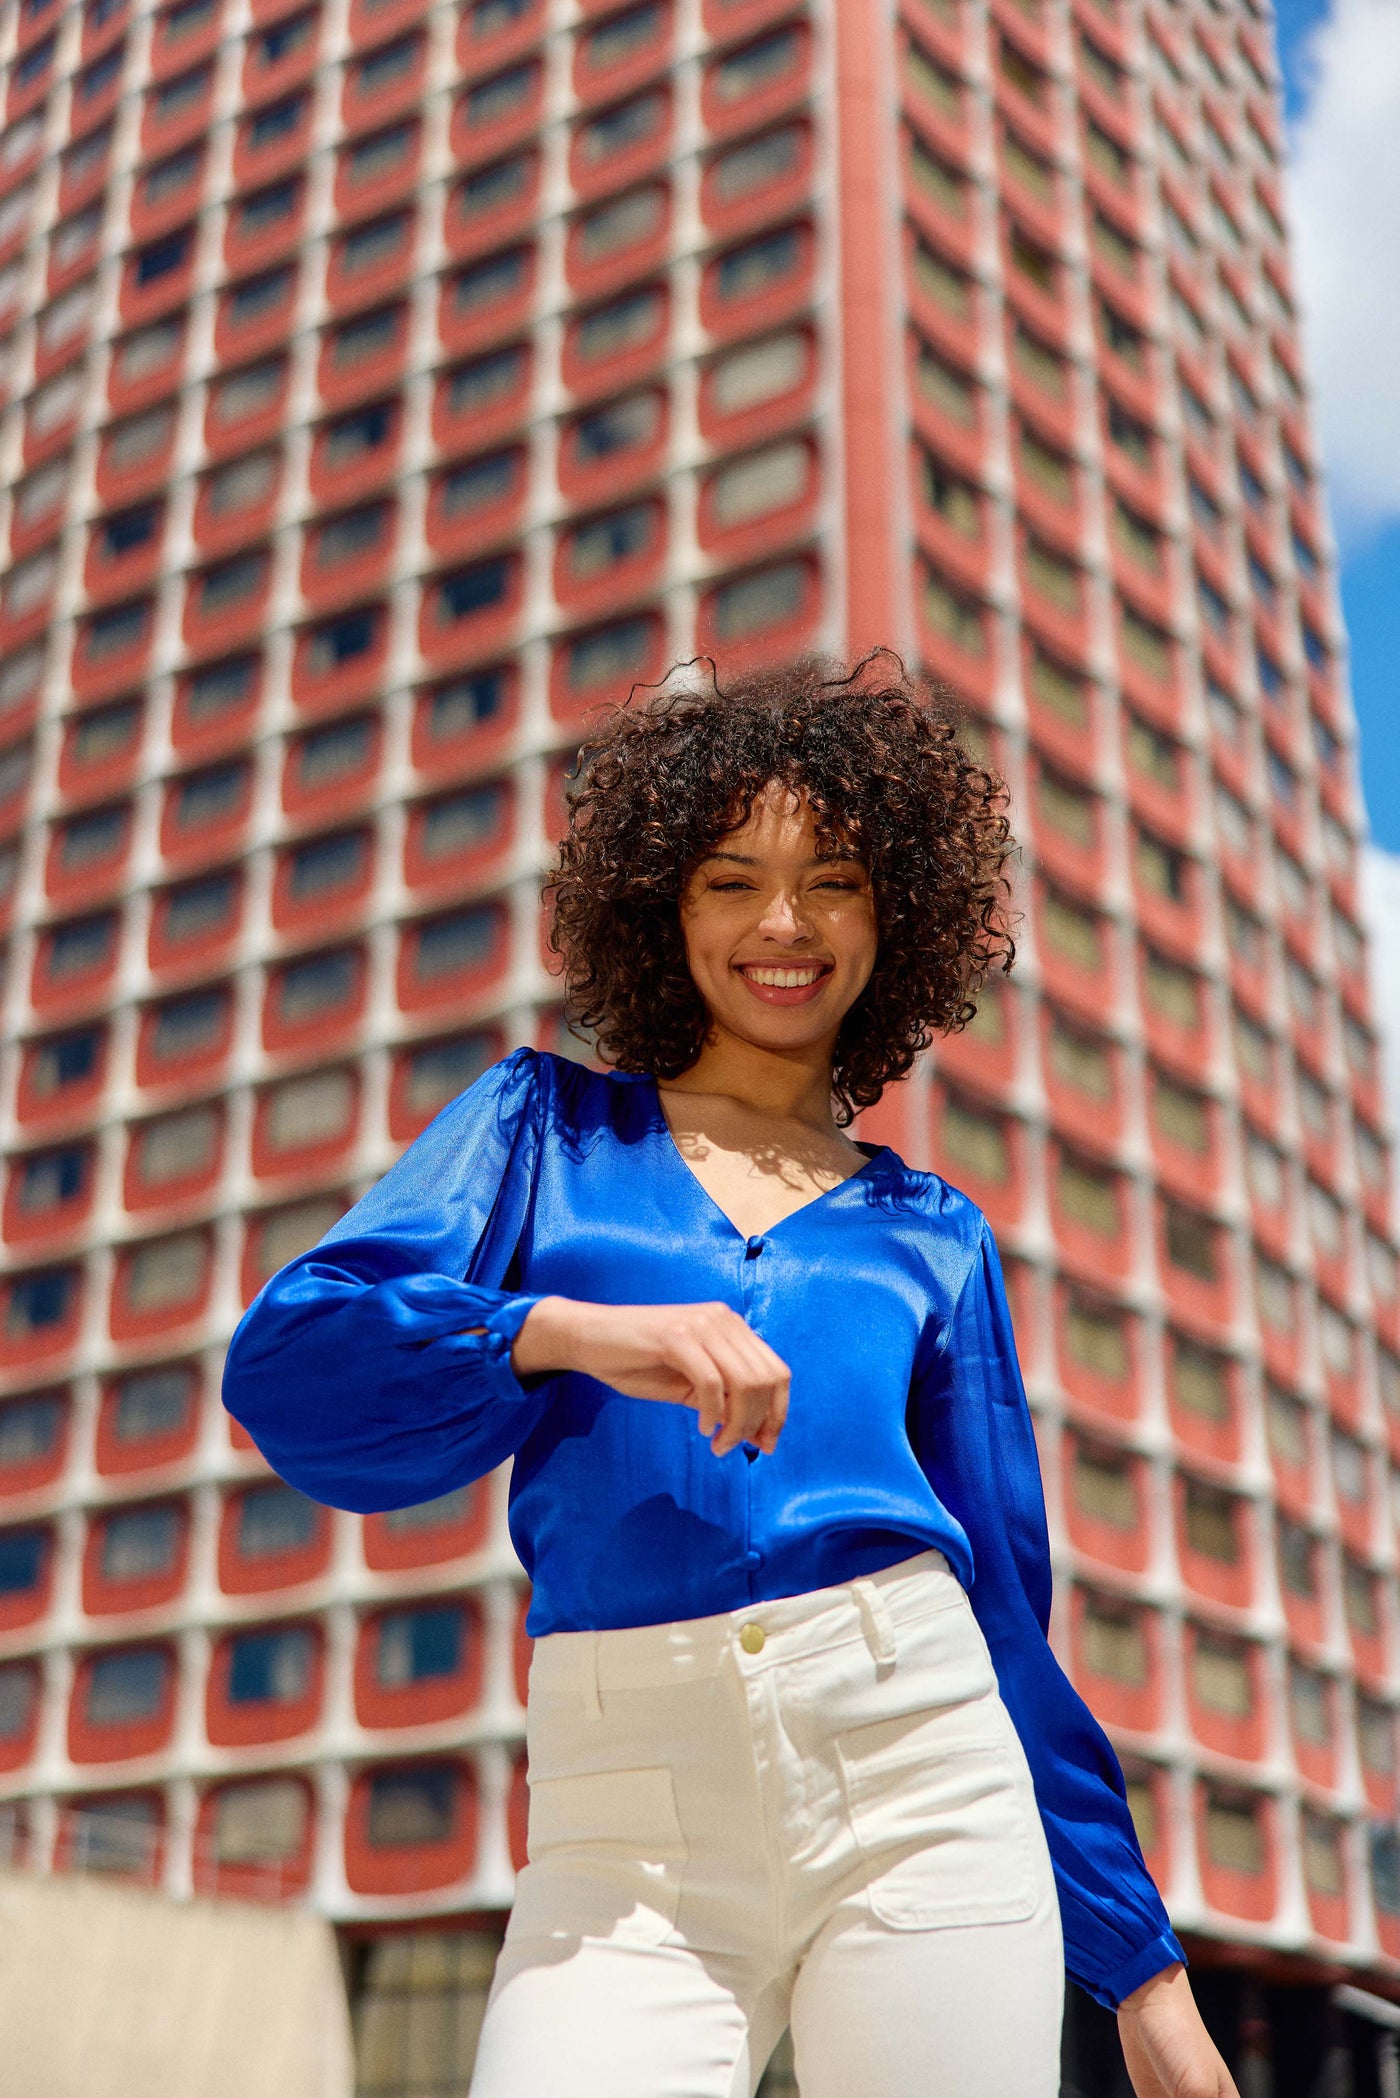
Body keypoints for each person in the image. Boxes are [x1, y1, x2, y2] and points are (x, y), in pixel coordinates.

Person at [223, 655, 1239, 2098]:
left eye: (832, 879)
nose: (784, 924)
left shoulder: (933, 1237)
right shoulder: (538, 1131)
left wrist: (1143, 1977)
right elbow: (294, 1368)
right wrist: (565, 1328)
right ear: (662, 906)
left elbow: (1009, 1619)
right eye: (728, 881)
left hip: (921, 1768)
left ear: (896, 913)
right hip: (622, 1817)